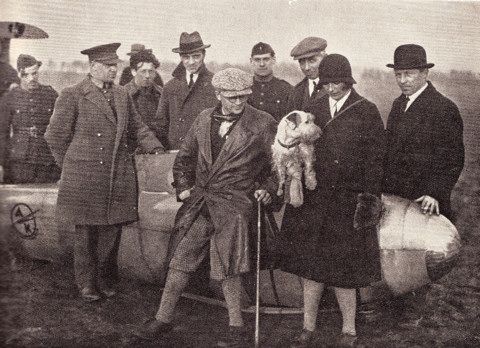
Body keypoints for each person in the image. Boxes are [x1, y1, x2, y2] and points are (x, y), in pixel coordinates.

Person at [132, 68, 278, 347]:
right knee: (180, 259)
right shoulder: (202, 119)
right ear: (218, 94)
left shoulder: (263, 123)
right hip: (201, 201)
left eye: (244, 97)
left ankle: (236, 327)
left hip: (236, 205)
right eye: (233, 97)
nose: (239, 102)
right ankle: (163, 318)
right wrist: (184, 187)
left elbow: (277, 166)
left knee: (227, 265)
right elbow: (184, 158)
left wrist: (268, 189)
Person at [276, 54, 385, 347]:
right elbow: (293, 146)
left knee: (343, 272)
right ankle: (308, 326)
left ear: (348, 81)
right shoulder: (311, 110)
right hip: (314, 201)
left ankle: (349, 330)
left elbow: (376, 161)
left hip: (347, 204)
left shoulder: (366, 111)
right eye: (327, 83)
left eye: (338, 83)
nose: (332, 88)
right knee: (312, 268)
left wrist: (368, 200)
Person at [45, 43, 164, 302]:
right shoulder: (73, 94)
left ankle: (104, 280)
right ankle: (87, 284)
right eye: (108, 66)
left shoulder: (122, 95)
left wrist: (155, 147)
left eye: (115, 65)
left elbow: (138, 127)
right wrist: (72, 166)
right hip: (85, 177)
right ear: (93, 67)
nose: (113, 70)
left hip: (116, 174)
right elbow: (54, 137)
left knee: (111, 231)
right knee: (86, 234)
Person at [383, 44, 464, 220]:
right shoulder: (398, 105)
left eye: (409, 74)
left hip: (426, 203)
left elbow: (453, 159)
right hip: (396, 200)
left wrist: (434, 193)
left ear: (424, 73)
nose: (402, 80)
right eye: (398, 74)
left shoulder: (444, 108)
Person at [0, 54, 60, 184]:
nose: (32, 79)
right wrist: (3, 162)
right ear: (20, 75)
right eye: (26, 75)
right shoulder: (10, 98)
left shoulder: (50, 95)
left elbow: (61, 127)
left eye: (35, 74)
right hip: (19, 160)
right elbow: (2, 133)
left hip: (46, 159)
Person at [155, 31, 218, 150]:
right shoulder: (170, 87)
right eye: (186, 57)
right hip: (178, 152)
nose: (191, 62)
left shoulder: (215, 84)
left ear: (203, 55)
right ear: (180, 58)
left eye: (196, 56)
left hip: (207, 153)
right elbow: (161, 124)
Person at [247, 42, 292, 121]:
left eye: (266, 59)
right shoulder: (244, 87)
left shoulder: (286, 89)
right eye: (257, 60)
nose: (262, 64)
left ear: (273, 60)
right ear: (251, 61)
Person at [124, 50, 163, 140]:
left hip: (159, 146)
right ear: (134, 71)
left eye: (151, 71)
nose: (147, 75)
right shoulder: (124, 94)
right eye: (143, 71)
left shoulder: (162, 94)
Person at [286, 36, 328, 118]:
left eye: (312, 61)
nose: (306, 68)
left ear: (325, 57)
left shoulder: (338, 86)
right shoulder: (296, 92)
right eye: (301, 62)